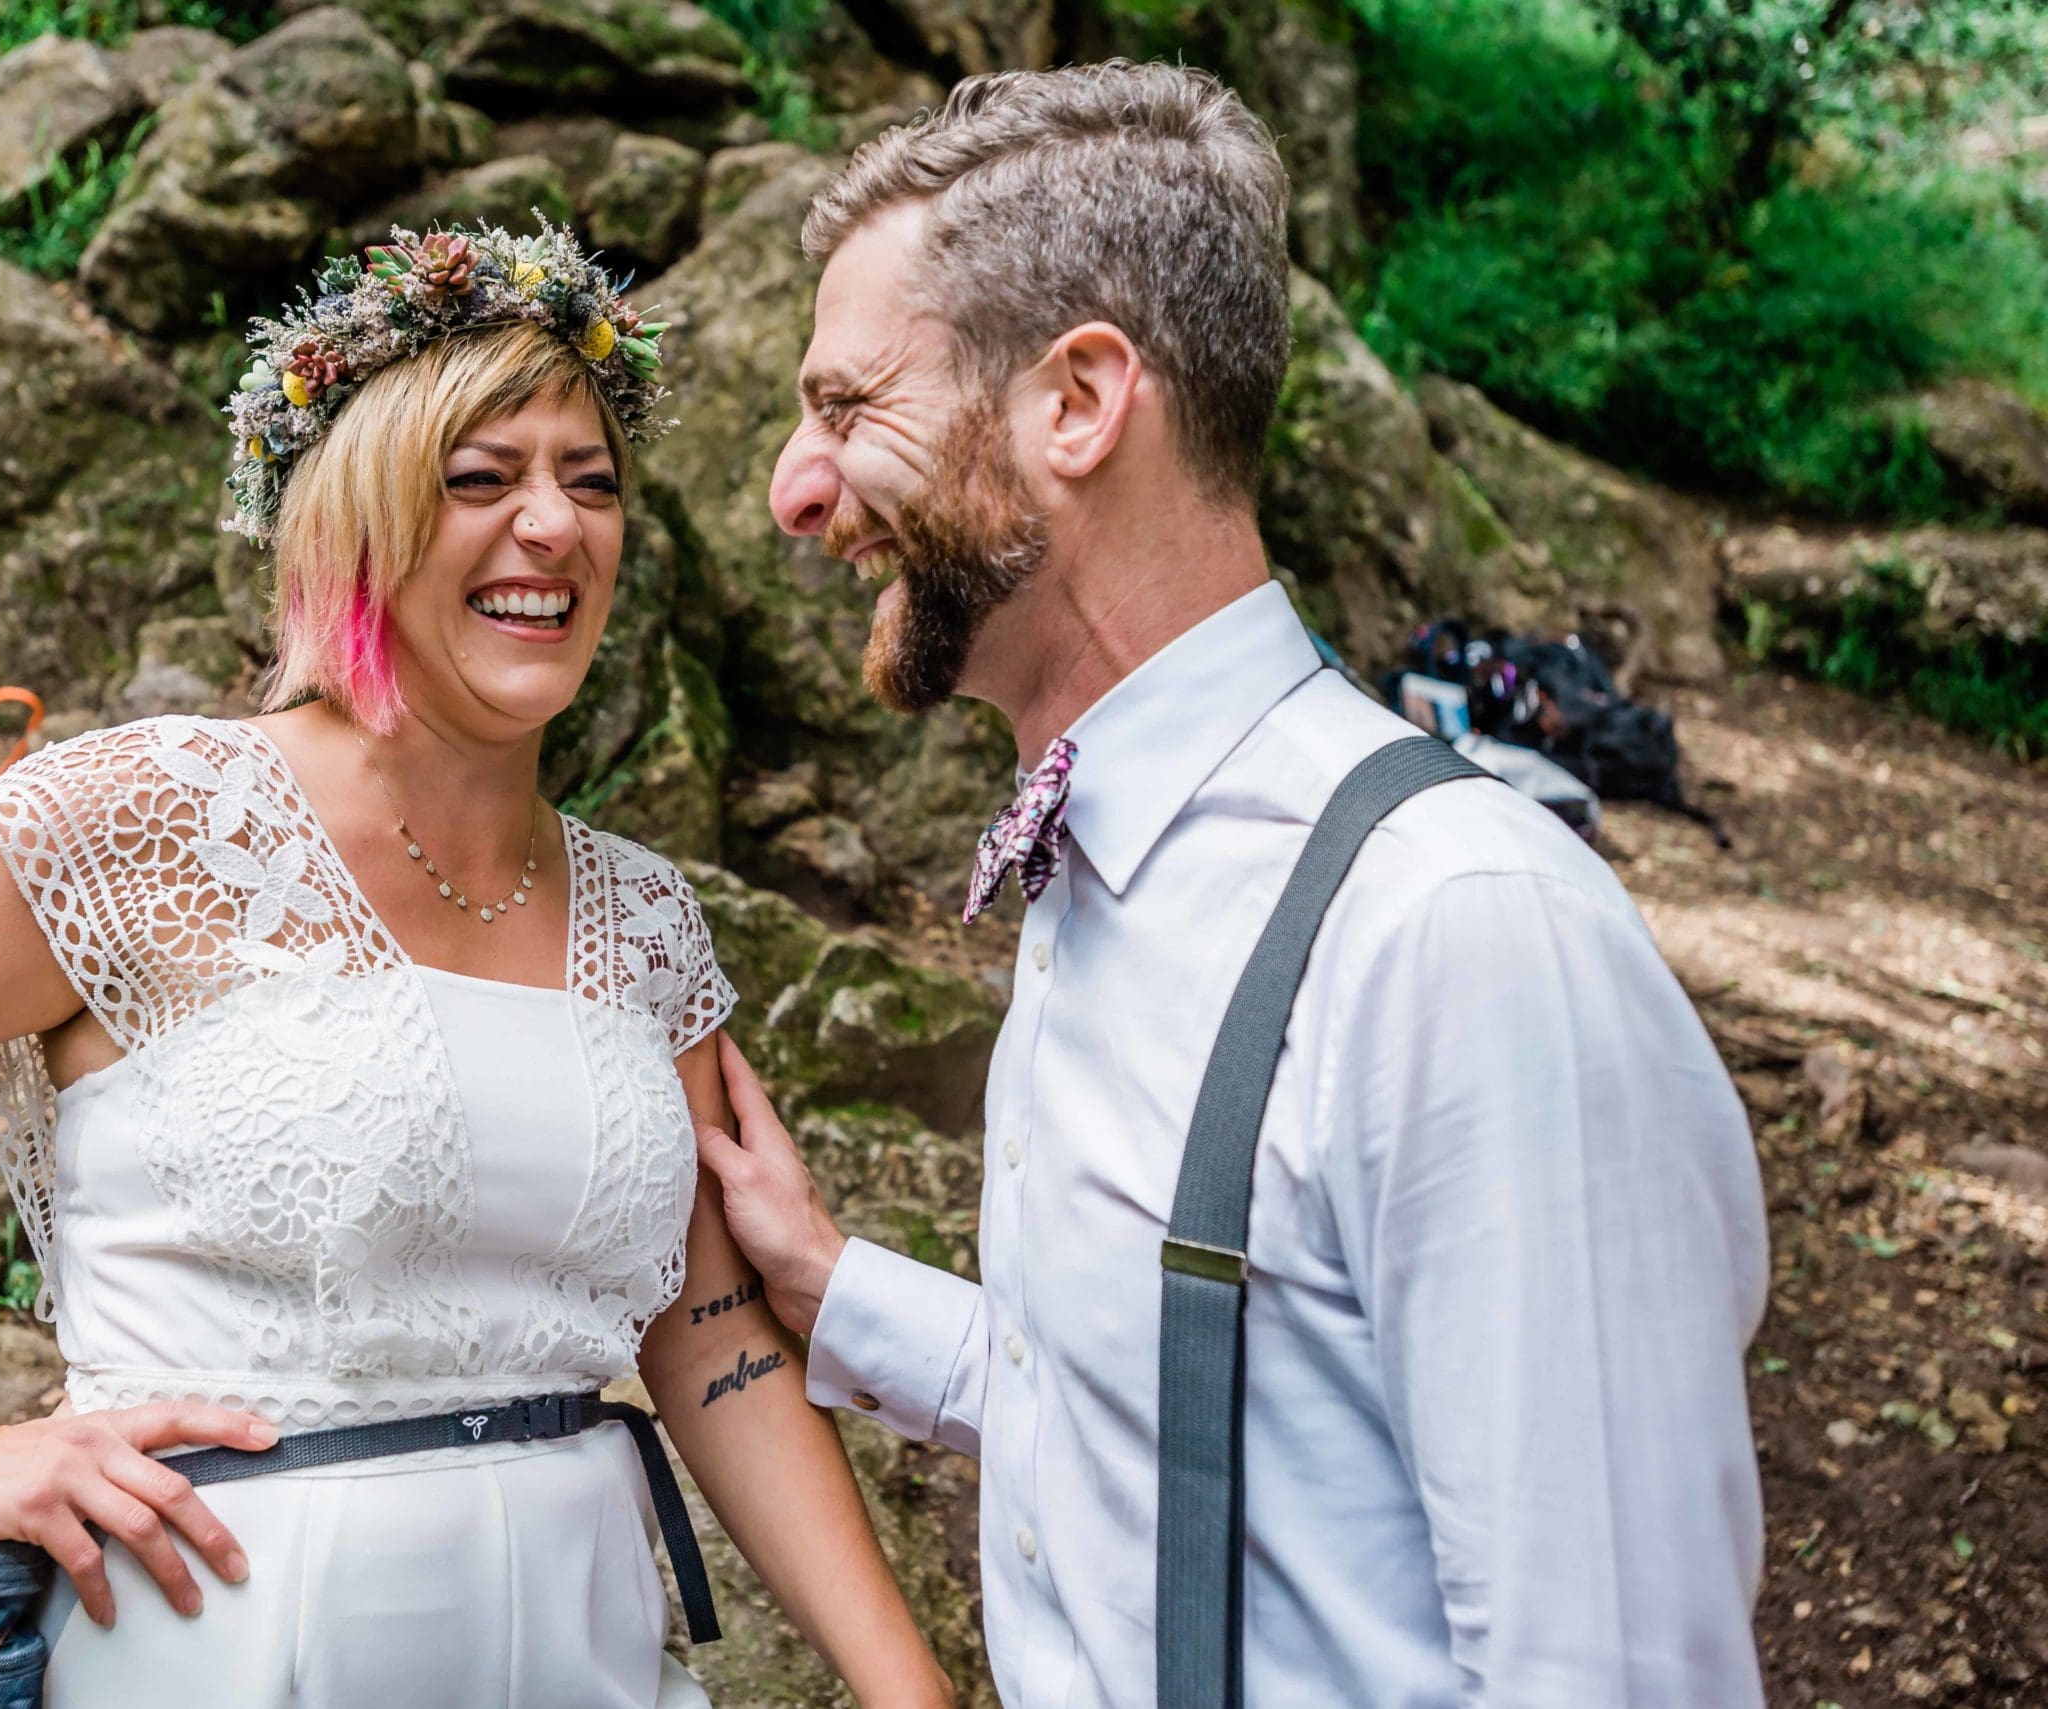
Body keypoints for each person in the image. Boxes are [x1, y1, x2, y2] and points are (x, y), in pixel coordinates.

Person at [0, 220, 954, 1709]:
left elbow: (716, 1342)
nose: (556, 525)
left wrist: (909, 1690)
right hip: (232, 1651)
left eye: (592, 483)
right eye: (481, 478)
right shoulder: (152, 815)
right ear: (354, 518)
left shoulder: (644, 919)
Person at [695, 63, 1772, 1709]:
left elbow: (1611, 1667)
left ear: (1080, 401)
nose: (793, 485)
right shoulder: (1113, 876)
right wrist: (835, 1288)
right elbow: (1182, 1425)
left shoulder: (1458, 931)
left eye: (848, 408)